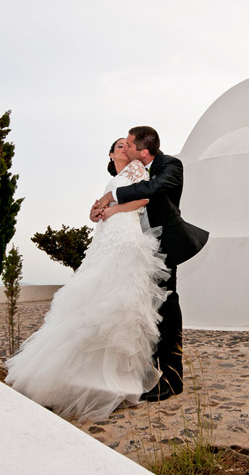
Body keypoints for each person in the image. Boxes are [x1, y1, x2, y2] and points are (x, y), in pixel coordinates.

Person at [5, 138, 169, 421]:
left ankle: (113, 381)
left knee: (116, 301)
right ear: (110, 154)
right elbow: (98, 212)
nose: (125, 148)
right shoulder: (114, 179)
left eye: (128, 144)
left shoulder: (136, 171)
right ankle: (76, 376)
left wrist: (113, 210)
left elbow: (142, 199)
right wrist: (95, 214)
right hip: (105, 239)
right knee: (91, 299)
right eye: (120, 145)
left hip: (124, 238)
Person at [95, 126, 209, 402]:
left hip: (164, 247)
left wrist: (114, 197)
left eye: (129, 145)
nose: (126, 149)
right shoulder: (139, 168)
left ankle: (172, 378)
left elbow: (154, 189)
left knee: (166, 306)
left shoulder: (170, 165)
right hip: (138, 247)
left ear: (143, 150)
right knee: (142, 310)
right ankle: (146, 371)